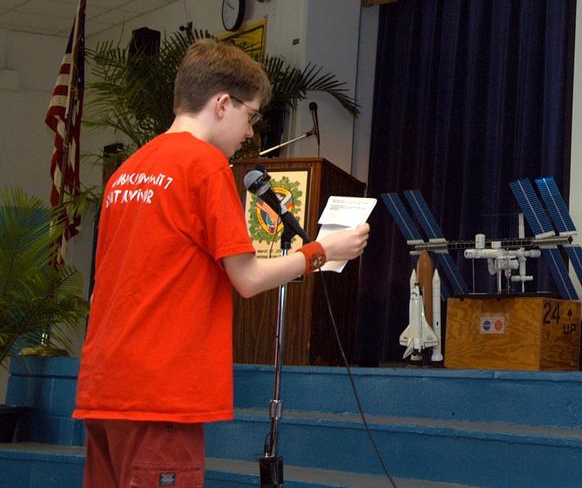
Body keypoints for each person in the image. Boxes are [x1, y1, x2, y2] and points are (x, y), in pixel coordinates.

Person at [74, 39, 370, 486]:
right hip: (160, 389)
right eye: (249, 116)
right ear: (222, 103)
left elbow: (102, 287)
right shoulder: (205, 165)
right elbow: (247, 278)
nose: (250, 132)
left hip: (105, 386)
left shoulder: (126, 171)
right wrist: (322, 252)